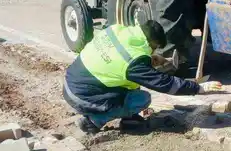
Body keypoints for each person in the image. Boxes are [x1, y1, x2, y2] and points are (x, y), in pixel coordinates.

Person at [64, 20, 222, 133]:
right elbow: (164, 83)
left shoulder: (118, 30)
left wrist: (148, 60)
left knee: (131, 84)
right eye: (154, 48)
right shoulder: (133, 62)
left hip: (71, 83)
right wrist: (198, 88)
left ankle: (129, 118)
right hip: (82, 96)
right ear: (153, 43)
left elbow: (114, 59)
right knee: (142, 99)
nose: (154, 51)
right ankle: (93, 121)